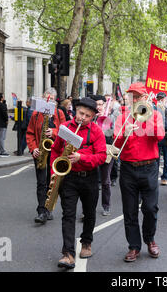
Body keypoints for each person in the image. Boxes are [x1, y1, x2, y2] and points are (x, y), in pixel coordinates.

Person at [51, 97, 106, 269]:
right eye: (81, 113)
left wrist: (82, 157)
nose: (83, 118)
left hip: (89, 177)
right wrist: (54, 174)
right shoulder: (65, 128)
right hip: (69, 178)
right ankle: (68, 253)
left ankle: (86, 242)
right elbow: (55, 150)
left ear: (92, 117)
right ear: (76, 111)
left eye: (88, 116)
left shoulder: (96, 131)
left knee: (89, 213)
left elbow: (102, 156)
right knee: (68, 215)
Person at [113, 82, 164, 262]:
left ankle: (150, 239)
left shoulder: (155, 114)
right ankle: (134, 246)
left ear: (144, 98)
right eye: (131, 96)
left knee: (151, 208)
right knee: (130, 210)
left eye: (137, 96)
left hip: (149, 167)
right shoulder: (123, 117)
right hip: (128, 168)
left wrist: (146, 117)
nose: (134, 99)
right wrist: (124, 133)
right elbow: (116, 146)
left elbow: (160, 137)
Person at [26, 87, 66, 224]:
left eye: (52, 100)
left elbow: (65, 132)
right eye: (46, 99)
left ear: (55, 101)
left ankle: (49, 208)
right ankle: (41, 211)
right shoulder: (36, 114)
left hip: (55, 153)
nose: (48, 101)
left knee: (52, 182)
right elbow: (30, 133)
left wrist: (54, 132)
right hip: (40, 152)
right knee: (41, 183)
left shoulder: (60, 113)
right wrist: (33, 149)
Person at [156, 92, 167, 186]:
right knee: (156, 157)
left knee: (166, 158)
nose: (161, 100)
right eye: (159, 99)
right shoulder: (154, 108)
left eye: (162, 98)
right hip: (157, 136)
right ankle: (154, 175)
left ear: (165, 99)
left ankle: (164, 177)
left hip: (166, 136)